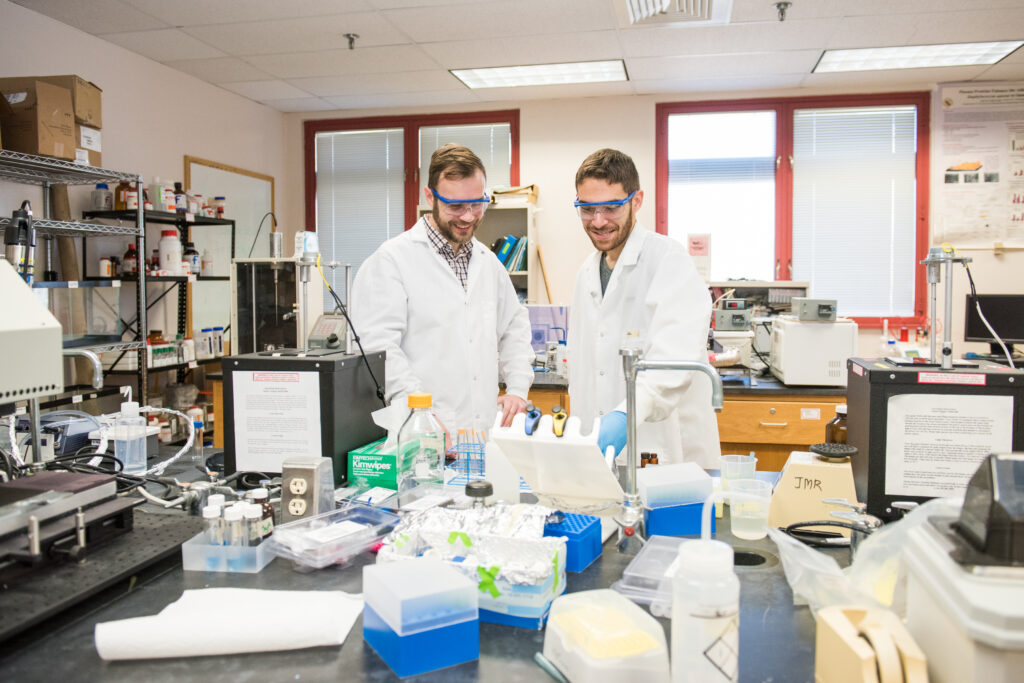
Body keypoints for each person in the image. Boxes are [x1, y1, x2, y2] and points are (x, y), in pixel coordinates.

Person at [350, 143, 533, 436]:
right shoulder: (391, 261)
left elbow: (514, 327)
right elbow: (380, 350)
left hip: (482, 432)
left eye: (477, 204)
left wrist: (518, 388)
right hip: (422, 433)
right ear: (429, 197)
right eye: (455, 206)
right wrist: (419, 416)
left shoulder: (488, 263)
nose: (469, 216)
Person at [567, 148, 721, 467]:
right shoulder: (586, 273)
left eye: (611, 207)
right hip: (599, 451)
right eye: (587, 208)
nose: (598, 221)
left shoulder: (668, 261)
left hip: (664, 450)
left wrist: (624, 416)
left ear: (636, 201)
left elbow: (674, 359)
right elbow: (586, 368)